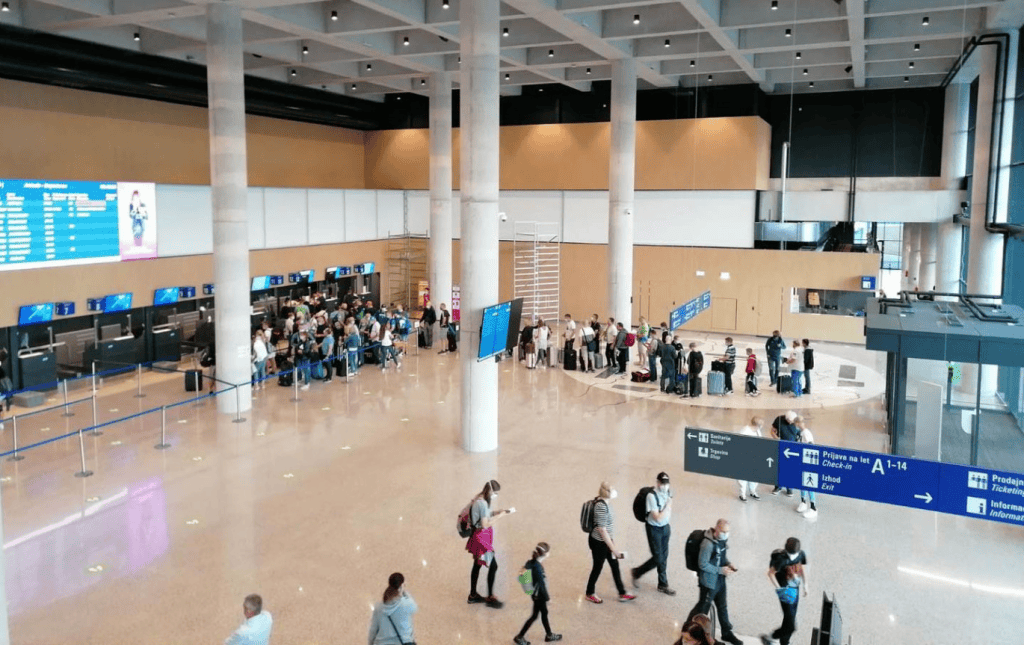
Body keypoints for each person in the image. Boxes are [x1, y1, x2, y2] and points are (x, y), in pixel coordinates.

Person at [686, 519, 743, 645]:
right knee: (702, 610)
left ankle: (726, 633)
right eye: (723, 531)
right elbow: (703, 564)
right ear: (716, 529)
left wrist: (728, 564)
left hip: (720, 580)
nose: (725, 534)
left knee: (722, 606)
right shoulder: (707, 544)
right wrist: (720, 570)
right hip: (709, 583)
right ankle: (690, 631)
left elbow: (721, 557)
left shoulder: (722, 540)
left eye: (727, 532)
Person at [585, 481, 636, 604]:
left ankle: (622, 592)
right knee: (597, 567)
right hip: (600, 543)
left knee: (614, 565)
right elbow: (602, 530)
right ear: (607, 493)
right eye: (612, 489)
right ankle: (589, 592)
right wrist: (614, 549)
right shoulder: (601, 506)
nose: (614, 491)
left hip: (606, 541)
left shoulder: (603, 502)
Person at [466, 480, 512, 609]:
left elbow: (482, 516)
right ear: (491, 491)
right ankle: (490, 597)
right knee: (493, 566)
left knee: (477, 564)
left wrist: (495, 512)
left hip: (478, 535)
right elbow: (485, 524)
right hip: (481, 538)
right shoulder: (482, 503)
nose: (495, 495)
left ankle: (473, 595)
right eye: (495, 493)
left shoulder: (480, 498)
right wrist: (500, 516)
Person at [630, 472, 675, 595]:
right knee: (658, 558)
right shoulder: (651, 496)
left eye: (666, 484)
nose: (664, 486)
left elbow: (663, 516)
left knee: (664, 556)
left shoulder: (669, 492)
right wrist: (668, 505)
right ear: (658, 483)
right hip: (654, 529)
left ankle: (663, 584)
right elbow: (657, 518)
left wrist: (666, 509)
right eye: (662, 483)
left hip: (665, 528)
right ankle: (636, 572)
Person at [762, 538, 809, 645]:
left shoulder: (801, 554)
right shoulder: (781, 559)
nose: (792, 556)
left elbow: (802, 568)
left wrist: (805, 584)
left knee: (789, 617)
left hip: (795, 587)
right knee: (791, 626)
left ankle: (785, 641)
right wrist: (780, 589)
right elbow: (771, 573)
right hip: (785, 589)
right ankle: (770, 637)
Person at [513, 543, 563, 644]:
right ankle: (520, 637)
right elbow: (541, 585)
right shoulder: (538, 568)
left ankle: (549, 634)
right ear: (545, 554)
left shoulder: (532, 562)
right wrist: (548, 599)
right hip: (539, 596)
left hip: (535, 594)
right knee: (535, 616)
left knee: (542, 613)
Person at [368, 573, 417, 645]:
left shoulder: (379, 607)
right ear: (401, 585)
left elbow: (373, 630)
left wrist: (370, 643)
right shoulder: (406, 603)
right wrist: (404, 592)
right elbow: (414, 608)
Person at [771, 412, 800, 496]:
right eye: (789, 421)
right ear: (786, 418)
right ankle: (778, 486)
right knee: (779, 467)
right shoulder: (779, 419)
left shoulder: (796, 422)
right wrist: (777, 438)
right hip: (781, 446)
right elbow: (772, 431)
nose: (791, 423)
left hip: (792, 448)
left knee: (790, 468)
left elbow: (800, 435)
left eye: (792, 421)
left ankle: (789, 487)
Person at [794, 419, 818, 519]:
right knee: (802, 484)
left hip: (808, 463)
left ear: (798, 423)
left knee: (809, 484)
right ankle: (803, 502)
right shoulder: (800, 432)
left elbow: (811, 446)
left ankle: (813, 508)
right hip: (802, 462)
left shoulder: (806, 433)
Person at [738, 417, 765, 501]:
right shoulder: (745, 431)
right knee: (743, 476)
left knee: (755, 475)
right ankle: (742, 494)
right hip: (745, 456)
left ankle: (753, 491)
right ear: (758, 425)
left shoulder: (757, 431)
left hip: (755, 456)